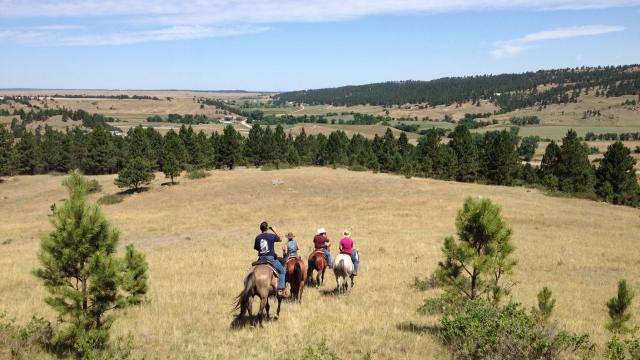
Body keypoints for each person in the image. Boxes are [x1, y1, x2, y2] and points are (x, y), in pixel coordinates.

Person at [254, 221, 286, 298]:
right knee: (282, 271)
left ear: (260, 229)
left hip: (261, 259)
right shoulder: (271, 236)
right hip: (270, 259)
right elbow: (281, 239)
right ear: (267, 228)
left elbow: (256, 248)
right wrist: (274, 230)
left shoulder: (258, 237)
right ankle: (280, 290)